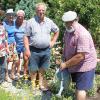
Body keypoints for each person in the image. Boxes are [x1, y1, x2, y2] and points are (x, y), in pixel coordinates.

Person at [60, 11, 97, 100]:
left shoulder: (82, 34)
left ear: (76, 20)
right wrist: (63, 57)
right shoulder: (68, 31)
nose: (68, 24)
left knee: (81, 89)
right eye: (66, 22)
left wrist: (65, 64)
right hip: (75, 64)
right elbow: (66, 45)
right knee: (78, 87)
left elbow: (80, 56)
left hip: (85, 65)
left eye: (71, 22)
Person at [24, 2, 59, 90]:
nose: (41, 12)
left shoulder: (49, 21)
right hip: (34, 50)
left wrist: (53, 41)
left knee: (43, 69)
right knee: (33, 69)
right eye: (39, 10)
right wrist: (27, 49)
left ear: (45, 11)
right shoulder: (30, 22)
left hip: (46, 50)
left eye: (43, 10)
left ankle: (40, 85)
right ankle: (33, 86)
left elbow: (57, 30)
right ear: (36, 11)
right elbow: (25, 36)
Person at [3, 9, 18, 80]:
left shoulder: (14, 23)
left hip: (13, 44)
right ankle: (6, 76)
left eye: (12, 15)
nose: (11, 16)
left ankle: (12, 74)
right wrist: (6, 46)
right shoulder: (4, 24)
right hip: (7, 44)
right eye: (9, 15)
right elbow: (4, 36)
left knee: (15, 60)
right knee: (7, 60)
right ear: (6, 16)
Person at [14, 10, 29, 80]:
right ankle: (18, 72)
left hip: (25, 44)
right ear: (17, 16)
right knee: (17, 59)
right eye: (18, 16)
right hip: (16, 44)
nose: (20, 18)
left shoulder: (27, 23)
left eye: (21, 16)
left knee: (26, 58)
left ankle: (25, 72)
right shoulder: (14, 22)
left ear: (24, 16)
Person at [0, 10, 9, 87]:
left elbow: (5, 38)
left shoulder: (2, 26)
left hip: (2, 50)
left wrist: (7, 47)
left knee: (2, 66)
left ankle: (1, 81)